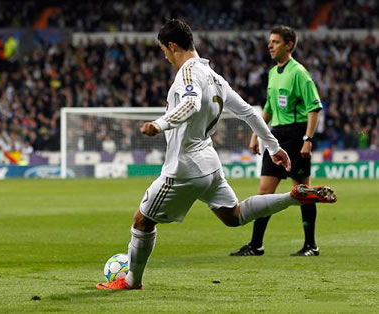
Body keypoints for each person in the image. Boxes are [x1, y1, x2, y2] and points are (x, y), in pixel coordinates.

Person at [95, 19, 336, 290]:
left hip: (183, 168)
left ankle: (131, 281)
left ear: (172, 46)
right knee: (234, 216)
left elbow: (190, 102)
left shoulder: (188, 73)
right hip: (209, 163)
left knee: (142, 221)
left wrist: (159, 124)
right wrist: (274, 147)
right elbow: (248, 112)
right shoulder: (214, 77)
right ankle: (291, 197)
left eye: (164, 50)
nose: (164, 56)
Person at [230, 25, 324, 257]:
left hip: (296, 133)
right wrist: (256, 134)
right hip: (277, 136)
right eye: (270, 42)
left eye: (276, 42)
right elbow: (269, 109)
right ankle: (256, 245)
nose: (270, 45)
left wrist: (307, 139)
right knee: (264, 192)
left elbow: (314, 107)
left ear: (289, 45)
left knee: (302, 190)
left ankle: (310, 245)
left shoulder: (299, 73)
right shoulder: (273, 73)